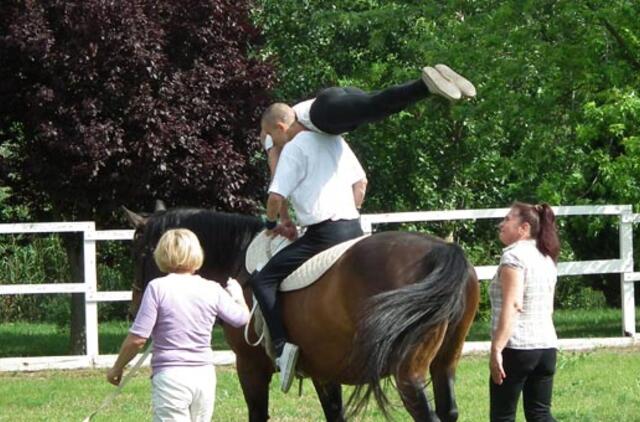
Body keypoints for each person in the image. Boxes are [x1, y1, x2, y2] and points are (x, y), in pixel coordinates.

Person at [250, 103, 368, 393]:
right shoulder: (332, 138)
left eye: (268, 135)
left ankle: (281, 348)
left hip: (323, 235)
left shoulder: (293, 147)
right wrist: (348, 210)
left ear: (280, 127)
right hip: (354, 228)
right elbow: (362, 184)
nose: (270, 143)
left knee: (262, 280)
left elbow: (276, 197)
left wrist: (270, 224)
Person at [107, 229, 250, 422]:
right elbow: (242, 319)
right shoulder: (212, 289)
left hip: (170, 377)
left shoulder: (157, 288)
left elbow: (138, 339)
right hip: (204, 377)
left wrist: (117, 367)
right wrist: (239, 296)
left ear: (162, 254)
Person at [489, 202, 561, 422]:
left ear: (524, 228)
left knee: (503, 416)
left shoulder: (513, 257)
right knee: (540, 415)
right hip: (546, 346)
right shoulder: (546, 258)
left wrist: (497, 349)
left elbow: (513, 305)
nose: (501, 224)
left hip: (517, 348)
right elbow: (548, 307)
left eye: (508, 219)